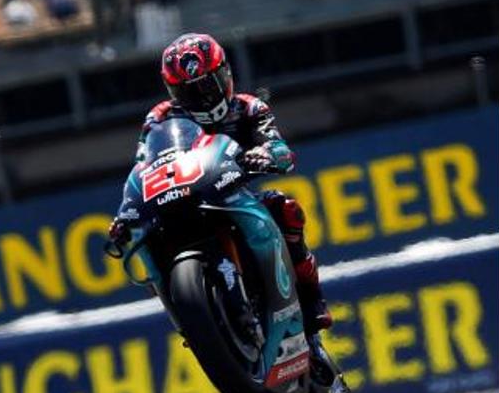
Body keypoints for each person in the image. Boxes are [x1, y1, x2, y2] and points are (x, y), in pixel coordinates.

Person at [108, 33, 332, 341]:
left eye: (206, 85)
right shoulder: (160, 116)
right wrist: (126, 215)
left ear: (224, 74)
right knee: (145, 242)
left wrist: (266, 155)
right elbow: (144, 163)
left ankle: (311, 299)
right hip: (182, 198)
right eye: (186, 91)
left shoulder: (249, 108)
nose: (200, 97)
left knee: (286, 209)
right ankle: (190, 318)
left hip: (230, 193)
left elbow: (279, 147)